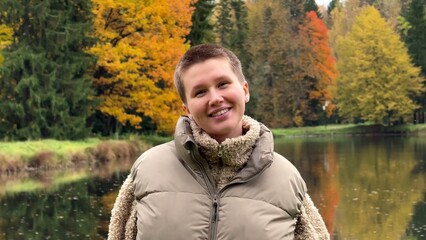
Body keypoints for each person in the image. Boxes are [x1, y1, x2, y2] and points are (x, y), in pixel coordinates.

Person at [108, 44, 329, 240]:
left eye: (223, 84)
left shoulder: (285, 177)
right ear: (187, 109)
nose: (215, 98)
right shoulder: (149, 169)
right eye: (200, 92)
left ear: (245, 91)